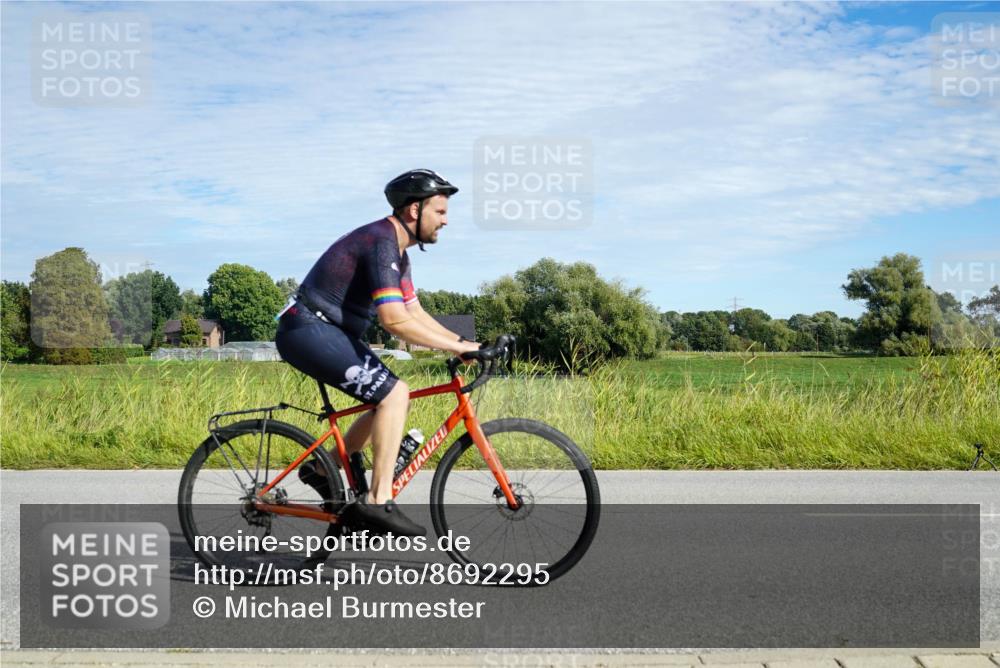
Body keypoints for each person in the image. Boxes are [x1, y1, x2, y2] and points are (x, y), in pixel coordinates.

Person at [274, 169, 481, 536]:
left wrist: (465, 344)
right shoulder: (381, 241)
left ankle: (321, 469)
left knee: (387, 398)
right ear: (414, 211)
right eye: (441, 212)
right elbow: (394, 320)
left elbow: (415, 313)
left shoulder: (398, 255)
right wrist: (457, 346)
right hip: (307, 329)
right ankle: (377, 499)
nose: (446, 221)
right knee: (394, 394)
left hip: (325, 330)